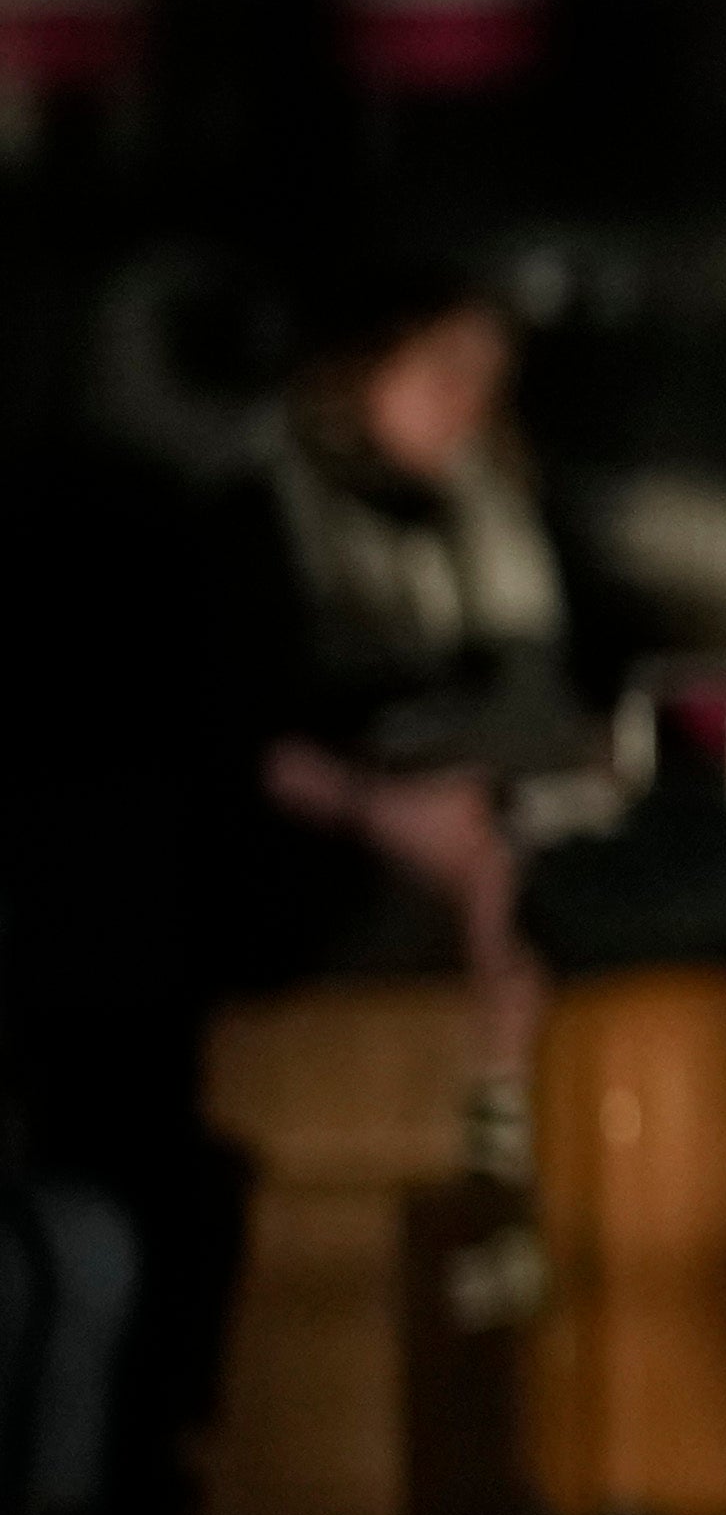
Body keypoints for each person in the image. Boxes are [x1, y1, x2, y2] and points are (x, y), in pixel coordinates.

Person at [240, 254, 614, 1074]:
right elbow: (239, 739)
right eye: (444, 373)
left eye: (487, 380)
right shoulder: (269, 513)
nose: (469, 407)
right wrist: (383, 809)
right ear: (365, 364)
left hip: (509, 833)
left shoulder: (495, 504)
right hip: (340, 859)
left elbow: (538, 688)